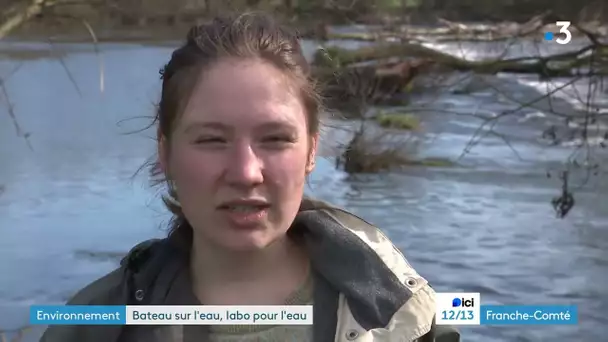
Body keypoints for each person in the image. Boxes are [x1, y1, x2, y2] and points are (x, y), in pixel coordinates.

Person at [40, 12, 460, 342]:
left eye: (275, 139)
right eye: (211, 140)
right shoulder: (93, 326)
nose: (245, 172)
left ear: (312, 150)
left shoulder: (402, 315)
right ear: (165, 152)